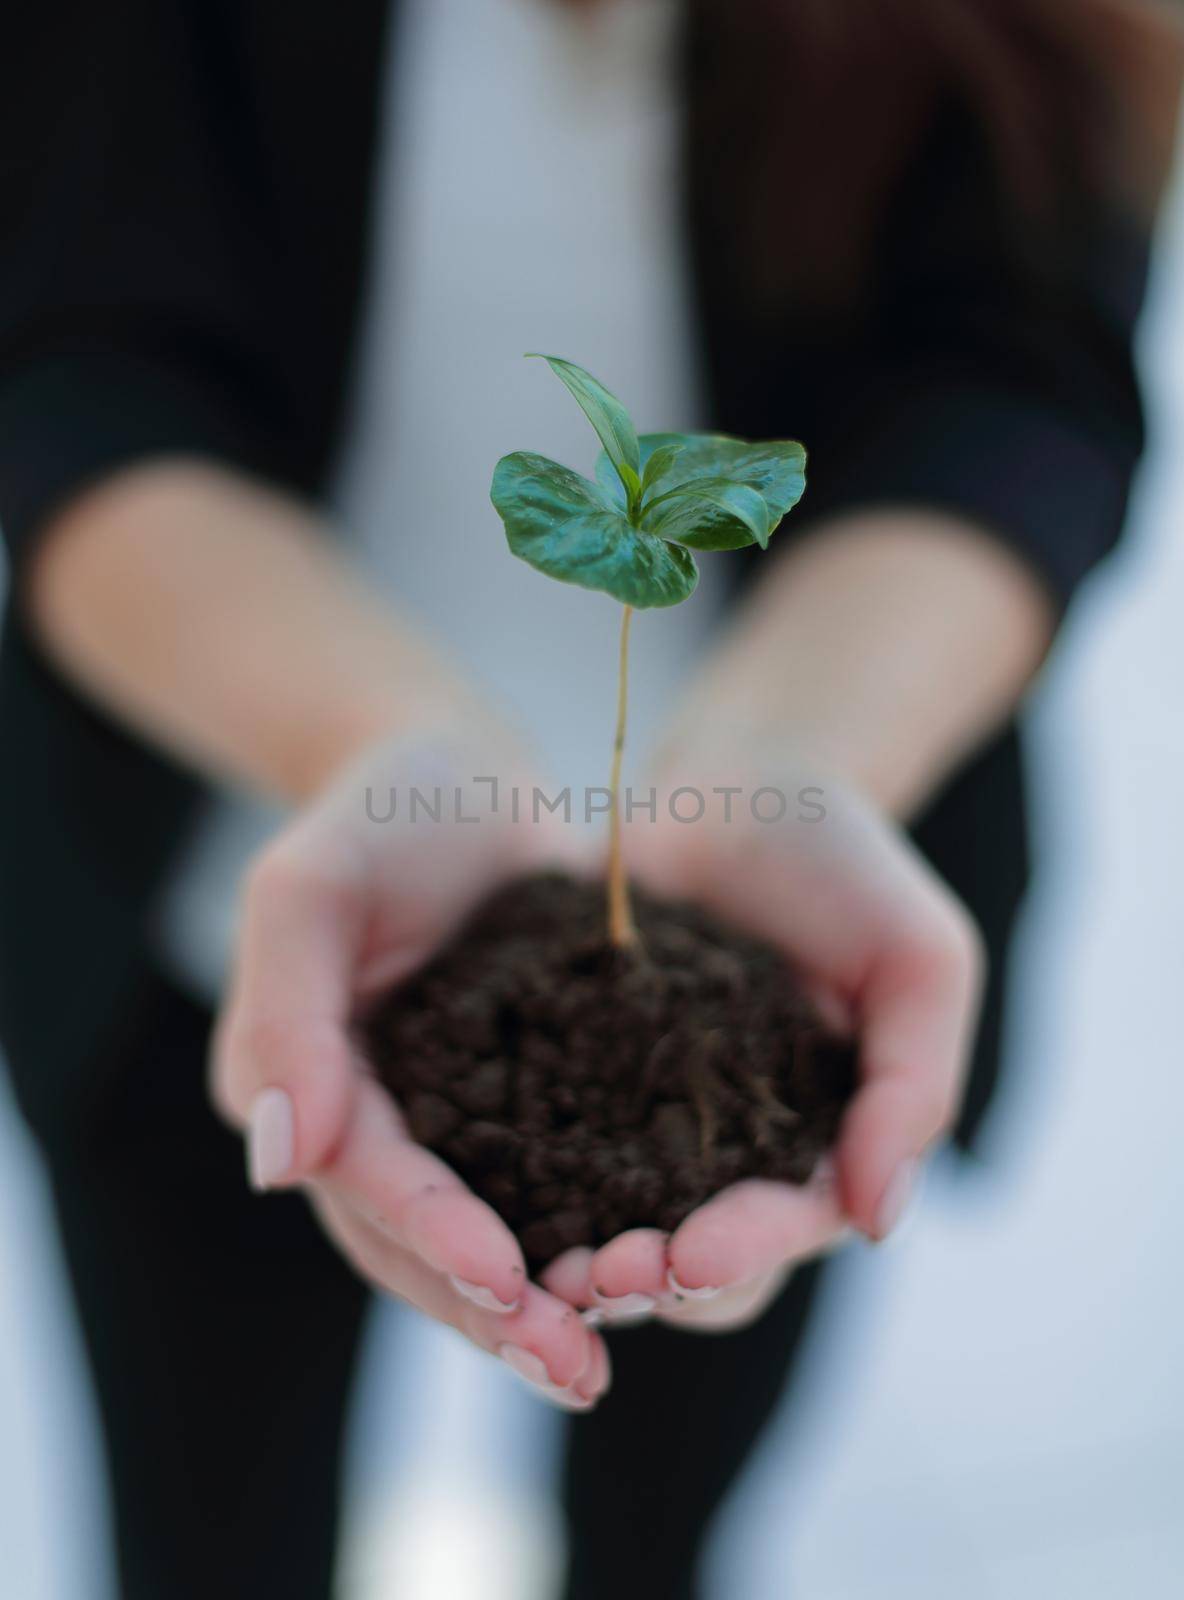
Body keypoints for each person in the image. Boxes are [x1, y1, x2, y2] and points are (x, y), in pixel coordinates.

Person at [1, 1, 1180, 1597]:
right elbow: (75, 357)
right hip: (206, 896)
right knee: (208, 1541)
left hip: (776, 906)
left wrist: (798, 752)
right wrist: (373, 737)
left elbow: (1025, 375)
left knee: (657, 1534)